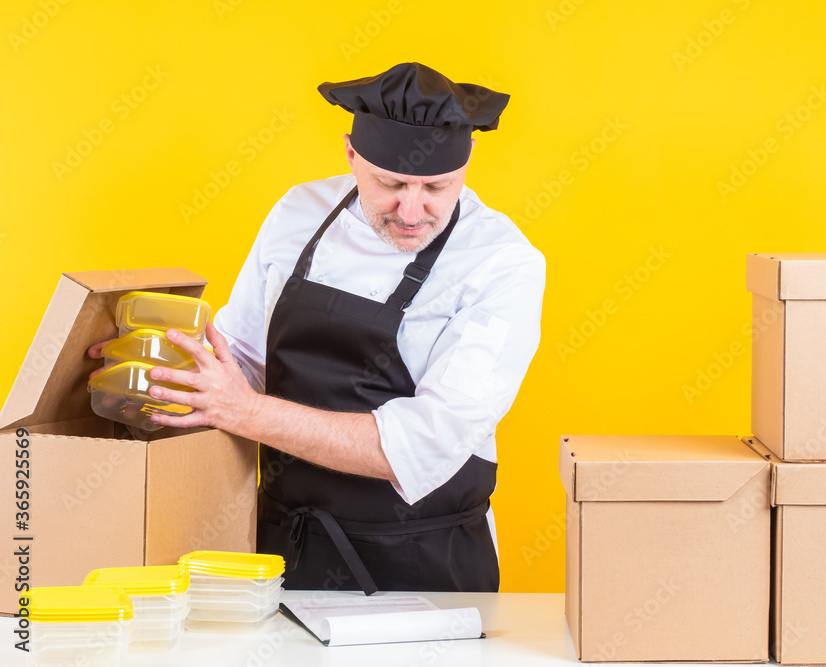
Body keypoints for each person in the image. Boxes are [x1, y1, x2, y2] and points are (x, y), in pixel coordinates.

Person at [94, 63, 545, 593]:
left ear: (466, 161)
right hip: (278, 550)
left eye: (435, 186)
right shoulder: (299, 212)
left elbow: (421, 445)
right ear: (352, 155)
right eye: (391, 183)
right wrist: (158, 374)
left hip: (423, 562)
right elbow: (242, 358)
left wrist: (245, 411)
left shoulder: (501, 263)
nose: (411, 210)